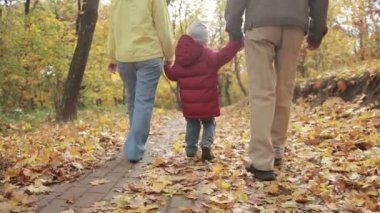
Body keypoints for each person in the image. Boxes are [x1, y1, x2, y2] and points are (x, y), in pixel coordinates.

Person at [225, 0, 329, 180]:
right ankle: (277, 150)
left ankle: (262, 161)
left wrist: (234, 29)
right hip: (294, 23)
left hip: (259, 22)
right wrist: (317, 31)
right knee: (284, 88)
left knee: (262, 91)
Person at [164, 20, 243, 161]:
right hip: (207, 100)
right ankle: (206, 144)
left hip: (189, 104)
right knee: (209, 122)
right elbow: (225, 54)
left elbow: (172, 75)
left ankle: (190, 149)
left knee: (192, 122)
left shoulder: (181, 59)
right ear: (204, 40)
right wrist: (236, 43)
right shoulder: (209, 56)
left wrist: (166, 65)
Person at [107, 0, 175, 163]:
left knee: (132, 101)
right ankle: (134, 148)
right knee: (143, 101)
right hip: (149, 55)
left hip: (124, 57)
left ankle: (134, 143)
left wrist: (112, 56)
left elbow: (113, 29)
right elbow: (163, 26)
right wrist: (169, 54)